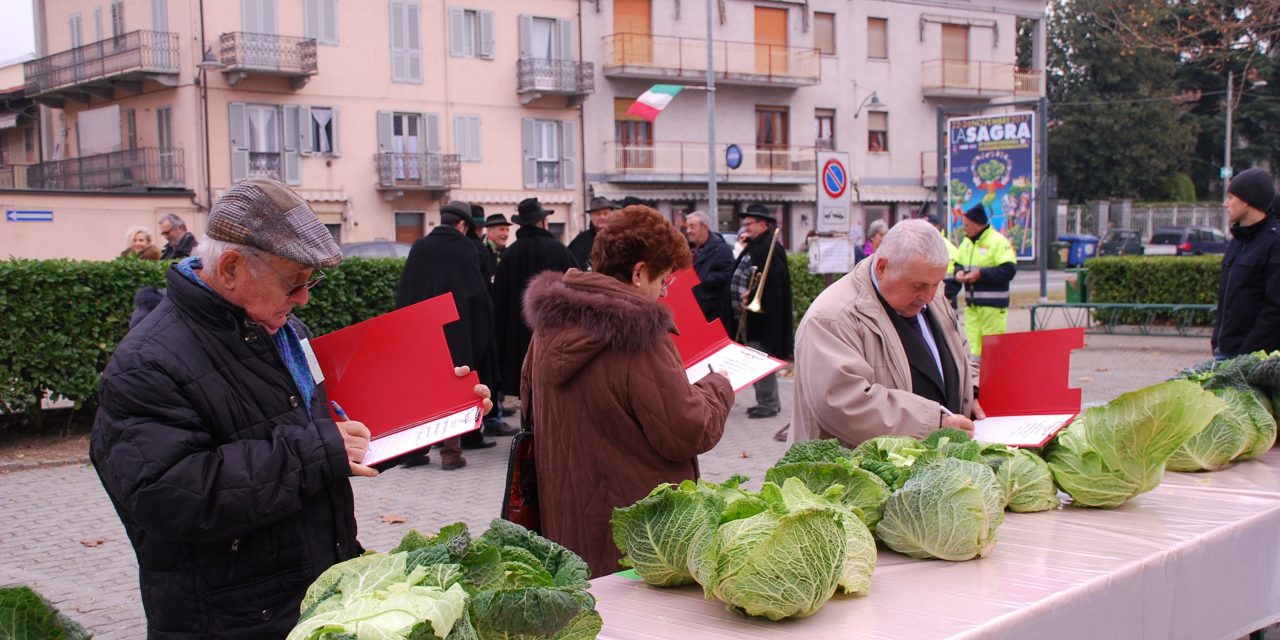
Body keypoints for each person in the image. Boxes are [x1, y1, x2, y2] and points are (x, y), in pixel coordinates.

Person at [90, 178, 493, 638]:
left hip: (310, 596)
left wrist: (440, 410)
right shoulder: (146, 363)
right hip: (231, 619)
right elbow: (172, 495)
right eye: (294, 282)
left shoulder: (283, 330)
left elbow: (335, 435)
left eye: (310, 281)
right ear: (231, 268)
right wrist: (317, 448)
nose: (304, 297)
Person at [521, 205, 734, 577]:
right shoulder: (640, 335)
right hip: (638, 536)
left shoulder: (548, 326)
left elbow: (529, 407)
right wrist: (719, 387)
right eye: (664, 278)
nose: (665, 291)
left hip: (566, 522)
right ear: (638, 273)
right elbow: (687, 430)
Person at [791, 219, 983, 445]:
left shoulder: (932, 296)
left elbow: (960, 354)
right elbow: (843, 403)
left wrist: (973, 391)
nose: (928, 297)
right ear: (882, 268)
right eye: (917, 286)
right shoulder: (831, 317)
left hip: (931, 468)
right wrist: (934, 424)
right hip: (860, 475)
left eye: (936, 284)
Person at [396, 201, 507, 468]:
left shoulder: (419, 246)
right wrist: (482, 336)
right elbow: (477, 296)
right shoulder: (466, 248)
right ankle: (450, 453)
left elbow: (405, 290)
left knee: (422, 389)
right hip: (456, 332)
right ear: (462, 225)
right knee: (454, 391)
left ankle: (414, 451)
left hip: (421, 330)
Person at [492, 197, 579, 398]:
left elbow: (498, 305)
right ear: (543, 222)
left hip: (516, 344)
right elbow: (579, 292)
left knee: (526, 399)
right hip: (554, 340)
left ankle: (527, 427)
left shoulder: (509, 255)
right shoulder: (559, 251)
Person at [728, 204, 793, 419]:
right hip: (749, 314)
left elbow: (773, 283)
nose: (745, 228)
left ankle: (769, 403)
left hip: (762, 316)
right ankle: (764, 401)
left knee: (759, 357)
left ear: (763, 224)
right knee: (753, 358)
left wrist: (754, 293)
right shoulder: (756, 245)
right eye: (744, 224)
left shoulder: (769, 246)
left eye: (749, 224)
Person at [1213, 167, 1280, 359]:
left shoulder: (1274, 243)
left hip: (1254, 358)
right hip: (1226, 351)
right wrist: (1217, 339)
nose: (1226, 204)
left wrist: (1247, 353)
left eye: (1231, 197)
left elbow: (1275, 308)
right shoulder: (1237, 241)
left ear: (1248, 201)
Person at [954, 203, 1016, 360]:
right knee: (973, 349)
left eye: (967, 225)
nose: (964, 228)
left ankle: (993, 381)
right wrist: (958, 272)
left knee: (993, 350)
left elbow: (1008, 271)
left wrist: (980, 274)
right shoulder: (966, 242)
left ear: (977, 225)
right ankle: (976, 381)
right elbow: (958, 263)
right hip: (972, 305)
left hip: (993, 308)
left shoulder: (998, 241)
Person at [685, 210, 734, 333]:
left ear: (704, 227)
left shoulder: (721, 249)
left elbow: (728, 275)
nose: (688, 231)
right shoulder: (686, 249)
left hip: (712, 313)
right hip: (689, 310)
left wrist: (702, 278)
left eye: (692, 226)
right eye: (687, 227)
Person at [921, 212, 961, 308]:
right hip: (929, 299)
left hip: (945, 299)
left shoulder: (946, 247)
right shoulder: (922, 245)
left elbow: (956, 276)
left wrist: (944, 297)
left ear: (936, 227)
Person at [567, 196, 615, 270]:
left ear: (611, 215)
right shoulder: (581, 240)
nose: (602, 217)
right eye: (598, 214)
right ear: (591, 216)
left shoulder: (619, 237)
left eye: (605, 214)